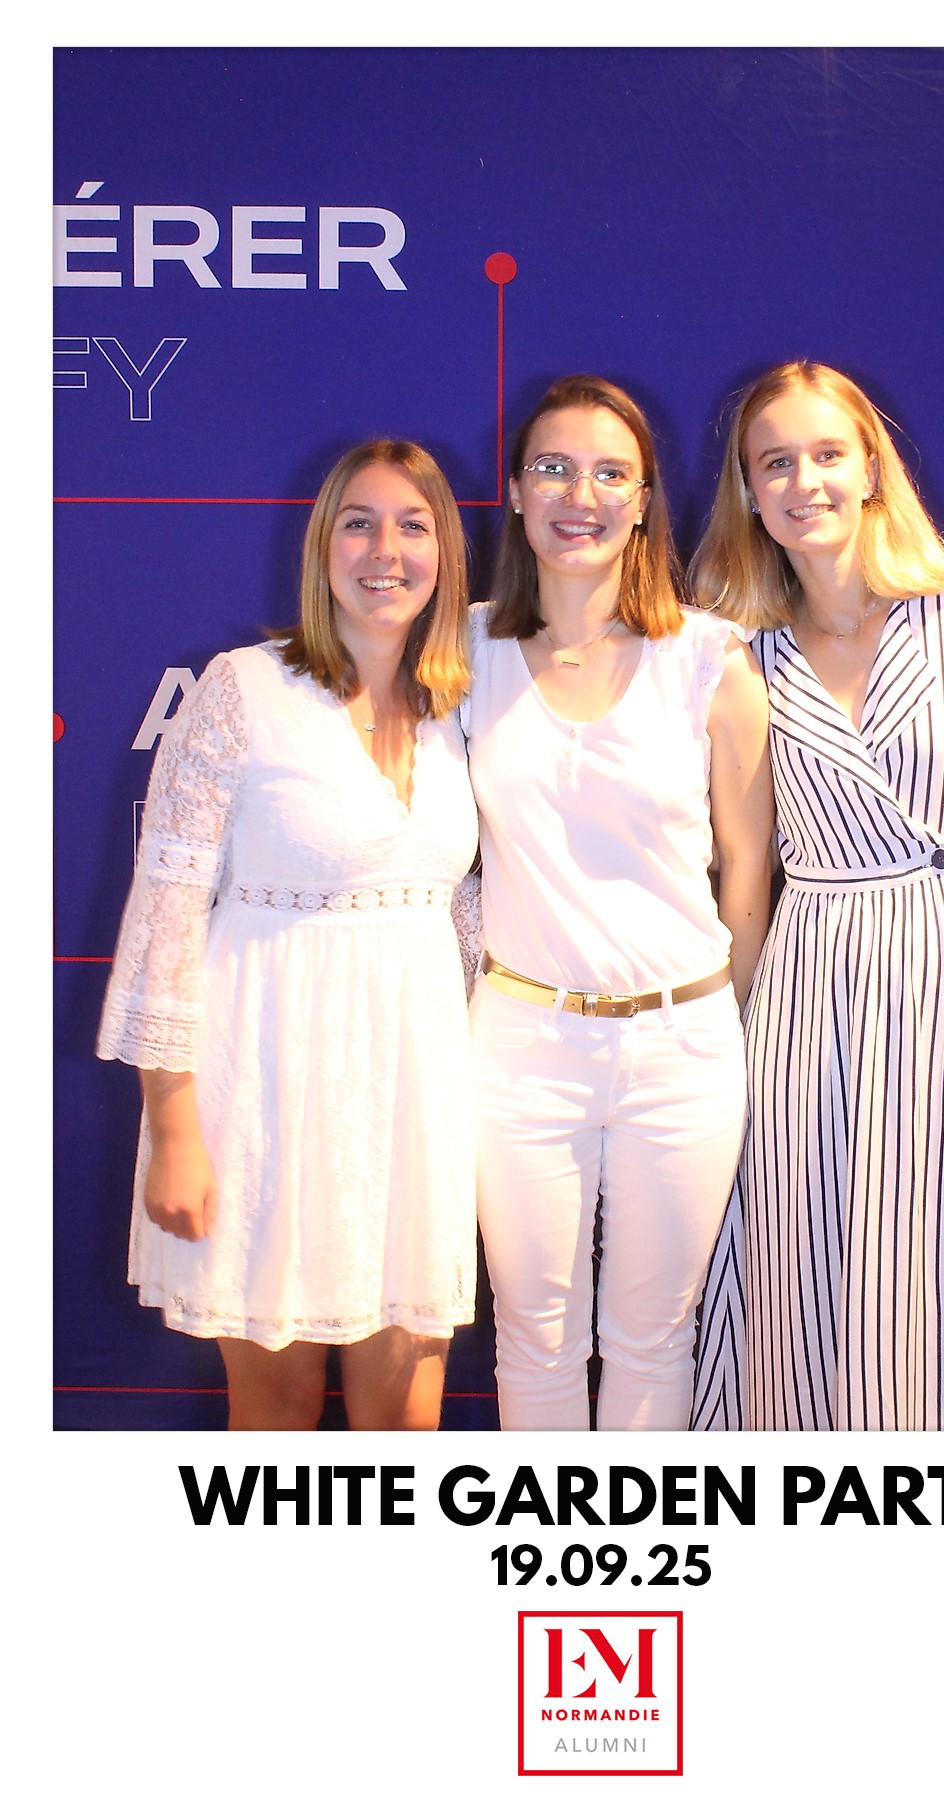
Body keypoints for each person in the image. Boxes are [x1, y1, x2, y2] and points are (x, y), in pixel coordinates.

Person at [689, 361, 944, 1431]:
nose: (804, 482)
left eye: (827, 453)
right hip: (813, 987)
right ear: (748, 491)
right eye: (776, 462)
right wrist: (726, 1029)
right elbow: (744, 866)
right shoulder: (735, 652)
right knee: (806, 1264)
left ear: (872, 467)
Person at [97, 439, 479, 1430]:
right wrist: (174, 1134)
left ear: (445, 551)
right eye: (359, 524)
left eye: (413, 525)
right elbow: (166, 919)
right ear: (322, 549)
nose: (385, 551)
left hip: (415, 1107)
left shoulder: (459, 707)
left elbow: (465, 922)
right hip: (265, 1093)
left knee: (409, 1415)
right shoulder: (244, 690)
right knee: (278, 1408)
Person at [463, 374, 774, 1431]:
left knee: (654, 1338)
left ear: (643, 502)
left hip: (681, 1045)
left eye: (609, 473)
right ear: (515, 491)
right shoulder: (462, 652)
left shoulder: (708, 658)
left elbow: (747, 870)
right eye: (552, 468)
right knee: (533, 1334)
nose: (579, 495)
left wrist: (717, 1018)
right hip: (522, 1045)